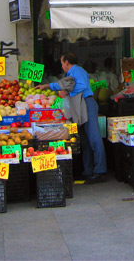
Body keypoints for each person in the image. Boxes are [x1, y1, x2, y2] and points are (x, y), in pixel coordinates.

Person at [36, 53, 107, 183]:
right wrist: (47, 86)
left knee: (94, 137)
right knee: (85, 140)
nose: (62, 66)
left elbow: (82, 86)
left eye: (62, 63)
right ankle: (88, 170)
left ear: (67, 62)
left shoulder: (77, 70)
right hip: (79, 105)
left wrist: (68, 91)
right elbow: (63, 85)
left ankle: (100, 170)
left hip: (86, 104)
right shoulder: (71, 73)